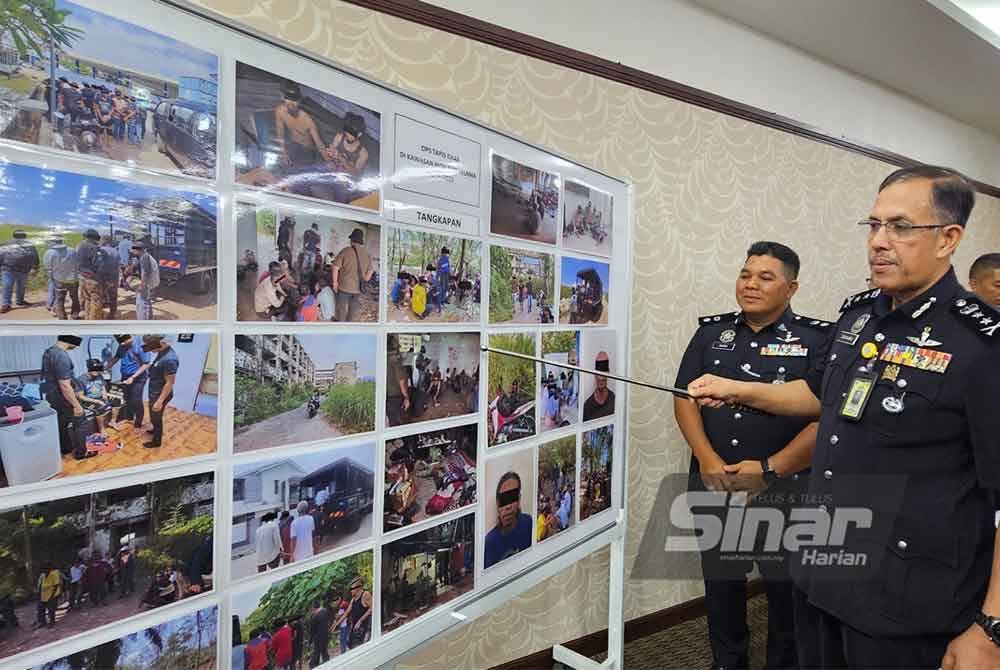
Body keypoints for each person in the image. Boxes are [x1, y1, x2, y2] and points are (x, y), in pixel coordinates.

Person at [688, 166, 1000, 670]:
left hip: (909, 599)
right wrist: (737, 389)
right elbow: (817, 394)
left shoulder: (982, 341)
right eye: (873, 225)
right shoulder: (857, 318)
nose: (879, 241)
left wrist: (992, 627)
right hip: (824, 572)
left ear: (948, 238)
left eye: (900, 227)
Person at [674, 241, 829, 670]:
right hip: (716, 480)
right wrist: (705, 458)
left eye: (765, 277)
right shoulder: (712, 333)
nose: (751, 284)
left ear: (791, 288)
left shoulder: (819, 339)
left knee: (787, 591)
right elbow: (684, 397)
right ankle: (728, 662)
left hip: (785, 486)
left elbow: (825, 416)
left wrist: (767, 470)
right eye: (746, 274)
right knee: (721, 585)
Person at [41, 336, 86, 455]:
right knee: (80, 419)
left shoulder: (49, 351)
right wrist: (76, 405)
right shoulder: (61, 356)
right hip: (63, 397)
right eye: (77, 342)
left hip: (53, 396)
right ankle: (82, 453)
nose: (77, 346)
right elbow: (64, 385)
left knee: (61, 424)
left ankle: (65, 448)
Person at [483, 472, 533, 568]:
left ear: (519, 500)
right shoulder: (490, 543)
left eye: (512, 497)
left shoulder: (528, 522)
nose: (508, 506)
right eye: (504, 500)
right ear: (498, 504)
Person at [275, 82, 327, 171]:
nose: (291, 103)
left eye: (294, 100)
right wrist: (283, 153)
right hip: (292, 146)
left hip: (307, 150)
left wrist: (328, 160)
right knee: (277, 166)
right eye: (288, 98)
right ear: (284, 98)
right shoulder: (280, 111)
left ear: (299, 101)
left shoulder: (307, 120)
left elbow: (319, 143)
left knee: (297, 171)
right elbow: (280, 133)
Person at [107, 334, 151, 429]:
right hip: (125, 376)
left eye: (123, 340)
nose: (122, 343)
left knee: (136, 399)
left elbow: (146, 364)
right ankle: (129, 418)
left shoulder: (142, 343)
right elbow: (116, 357)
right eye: (119, 341)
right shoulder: (122, 344)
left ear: (129, 335)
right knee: (127, 398)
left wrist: (133, 377)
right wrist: (105, 367)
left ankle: (138, 423)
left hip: (138, 377)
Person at [331, 228, 374, 322]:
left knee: (341, 309)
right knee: (353, 310)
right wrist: (365, 279)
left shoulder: (345, 251)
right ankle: (349, 324)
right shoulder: (367, 254)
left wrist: (335, 283)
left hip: (344, 287)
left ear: (352, 240)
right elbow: (370, 271)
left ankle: (341, 324)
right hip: (357, 289)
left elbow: (335, 267)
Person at [143, 335, 178, 449]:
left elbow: (170, 382)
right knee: (154, 416)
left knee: (156, 418)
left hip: (160, 395)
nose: (151, 351)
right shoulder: (162, 351)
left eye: (152, 348)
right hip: (155, 391)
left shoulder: (170, 359)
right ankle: (154, 430)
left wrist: (160, 401)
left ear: (161, 344)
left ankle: (156, 441)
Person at [0, 229, 39, 313]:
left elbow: (35, 256)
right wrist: (35, 268)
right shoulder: (6, 243)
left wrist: (35, 267)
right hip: (8, 269)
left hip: (23, 269)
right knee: (8, 286)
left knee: (19, 286)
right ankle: (6, 304)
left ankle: (19, 301)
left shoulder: (30, 245)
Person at [76, 357, 119, 433]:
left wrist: (105, 397)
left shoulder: (99, 376)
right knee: (100, 407)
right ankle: (101, 429)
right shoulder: (81, 379)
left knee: (117, 401)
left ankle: (112, 421)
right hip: (88, 401)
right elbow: (80, 396)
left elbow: (103, 388)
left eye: (98, 369)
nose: (96, 371)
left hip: (99, 398)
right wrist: (96, 401)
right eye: (94, 369)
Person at [43, 235, 80, 320]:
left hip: (59, 280)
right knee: (74, 297)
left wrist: (51, 278)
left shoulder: (49, 253)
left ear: (52, 242)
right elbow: (77, 264)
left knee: (60, 300)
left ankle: (62, 318)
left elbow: (48, 268)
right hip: (73, 279)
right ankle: (75, 315)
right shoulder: (72, 250)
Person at [76, 228, 105, 320]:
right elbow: (99, 264)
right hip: (92, 278)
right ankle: (94, 322)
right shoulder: (95, 248)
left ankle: (88, 318)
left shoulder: (79, 246)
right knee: (96, 301)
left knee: (87, 299)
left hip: (81, 277)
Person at [336, 577, 372, 649]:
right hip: (355, 628)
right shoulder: (353, 600)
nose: (350, 591)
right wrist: (335, 625)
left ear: (357, 588)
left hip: (364, 627)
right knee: (350, 645)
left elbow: (372, 608)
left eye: (351, 589)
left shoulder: (365, 594)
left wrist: (360, 621)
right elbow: (346, 613)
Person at [582, 351, 616, 420]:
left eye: (603, 375)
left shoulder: (613, 399)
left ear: (608, 373)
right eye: (598, 374)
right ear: (594, 374)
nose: (601, 378)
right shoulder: (587, 406)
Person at [385, 335, 410, 427]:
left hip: (386, 395)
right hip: (395, 396)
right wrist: (406, 397)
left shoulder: (382, 358)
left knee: (391, 419)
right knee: (396, 423)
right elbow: (401, 380)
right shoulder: (395, 361)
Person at [132, 240, 159, 320]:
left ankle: (142, 323)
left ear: (139, 249)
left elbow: (146, 273)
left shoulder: (144, 257)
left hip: (147, 283)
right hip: (151, 282)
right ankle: (149, 320)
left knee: (141, 303)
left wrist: (142, 285)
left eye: (134, 249)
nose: (133, 251)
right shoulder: (145, 256)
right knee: (147, 301)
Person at [36, 561, 61, 628]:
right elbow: (41, 585)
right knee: (41, 609)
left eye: (46, 569)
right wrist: (39, 593)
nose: (45, 570)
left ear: (49, 569)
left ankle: (51, 622)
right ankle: (42, 622)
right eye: (43, 569)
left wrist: (52, 596)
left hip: (52, 595)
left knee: (51, 610)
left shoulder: (53, 574)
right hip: (43, 595)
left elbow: (56, 585)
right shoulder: (43, 575)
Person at [100, 235, 119, 318]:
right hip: (113, 276)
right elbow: (118, 263)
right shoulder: (115, 251)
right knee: (113, 295)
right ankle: (112, 313)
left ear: (104, 241)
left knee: (100, 294)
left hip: (102, 277)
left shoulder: (100, 250)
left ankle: (100, 312)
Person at [308, 599, 331, 667]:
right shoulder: (325, 611)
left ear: (313, 608)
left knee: (316, 653)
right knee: (324, 651)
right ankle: (328, 664)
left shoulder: (314, 617)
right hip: (325, 636)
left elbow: (312, 631)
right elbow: (329, 622)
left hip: (318, 638)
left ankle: (313, 666)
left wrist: (310, 640)